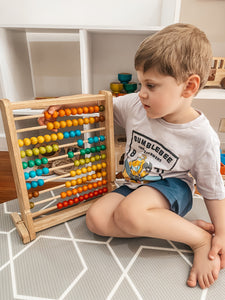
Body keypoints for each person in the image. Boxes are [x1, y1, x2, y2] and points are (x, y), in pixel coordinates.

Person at [39, 23, 225, 289]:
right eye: (140, 83)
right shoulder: (135, 105)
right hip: (134, 184)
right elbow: (99, 103)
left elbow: (212, 188)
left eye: (151, 85)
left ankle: (197, 238)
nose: (142, 92)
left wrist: (221, 232)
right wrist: (68, 103)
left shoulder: (201, 136)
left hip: (171, 187)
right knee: (97, 219)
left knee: (129, 214)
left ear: (189, 87)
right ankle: (170, 225)